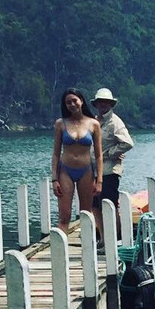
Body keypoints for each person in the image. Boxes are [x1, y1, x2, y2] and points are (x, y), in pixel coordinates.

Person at [51, 88, 103, 232]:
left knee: (86, 213)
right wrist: (54, 179)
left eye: (74, 101)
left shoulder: (93, 124)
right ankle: (60, 250)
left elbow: (99, 155)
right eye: (68, 103)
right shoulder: (60, 124)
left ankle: (87, 249)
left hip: (86, 170)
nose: (72, 104)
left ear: (81, 101)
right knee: (64, 215)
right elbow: (55, 154)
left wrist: (99, 181)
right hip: (65, 171)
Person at [90, 88, 135, 226]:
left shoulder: (115, 122)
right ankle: (104, 238)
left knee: (109, 205)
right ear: (96, 104)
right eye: (100, 102)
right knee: (95, 205)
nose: (103, 104)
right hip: (93, 171)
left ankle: (116, 238)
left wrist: (110, 153)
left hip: (109, 171)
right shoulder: (94, 121)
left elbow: (127, 143)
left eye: (106, 102)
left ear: (111, 104)